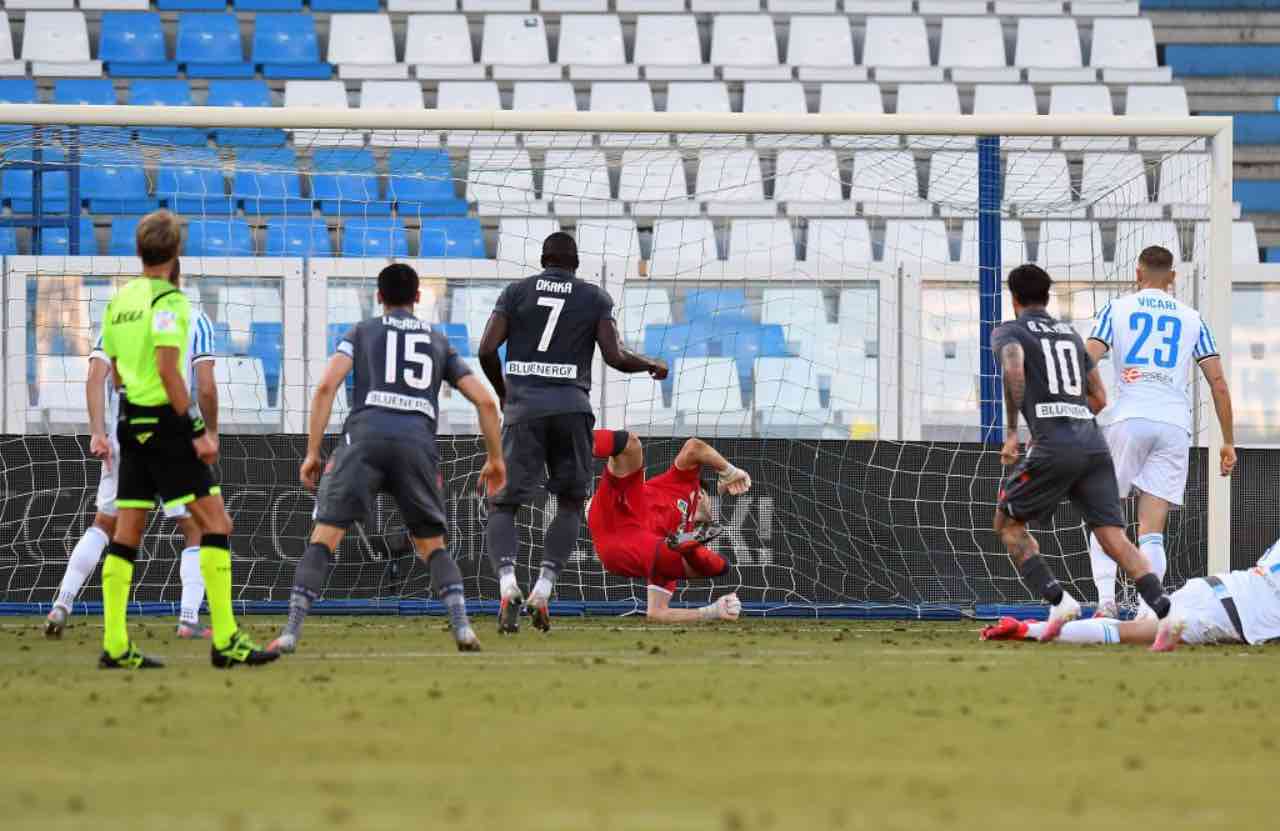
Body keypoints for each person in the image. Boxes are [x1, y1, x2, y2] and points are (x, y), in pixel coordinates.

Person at [268, 263, 504, 655]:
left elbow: (327, 385)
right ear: (417, 298)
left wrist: (312, 452)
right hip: (416, 442)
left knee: (324, 537)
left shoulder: (360, 332)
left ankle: (291, 632)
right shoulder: (437, 340)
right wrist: (495, 459)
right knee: (432, 544)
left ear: (378, 297)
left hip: (363, 438)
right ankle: (462, 628)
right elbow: (484, 400)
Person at [96, 209, 276, 669]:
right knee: (217, 524)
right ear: (176, 252)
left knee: (126, 533)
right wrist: (196, 429)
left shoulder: (120, 301)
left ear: (138, 251)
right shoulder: (172, 302)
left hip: (130, 423)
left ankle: (115, 643)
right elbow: (168, 370)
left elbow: (114, 369)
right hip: (166, 425)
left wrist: (133, 402)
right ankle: (227, 639)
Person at [477, 232, 667, 634]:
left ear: (543, 259)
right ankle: (543, 590)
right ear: (575, 263)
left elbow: (485, 350)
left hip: (524, 411)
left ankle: (509, 584)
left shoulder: (516, 293)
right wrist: (649, 363)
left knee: (504, 505)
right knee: (567, 503)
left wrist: (505, 392)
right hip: (571, 410)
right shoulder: (594, 297)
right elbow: (614, 356)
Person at [990, 264, 1177, 647]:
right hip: (1093, 444)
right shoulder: (1071, 336)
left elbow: (1013, 369)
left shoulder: (1009, 331)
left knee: (1007, 523)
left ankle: (1059, 601)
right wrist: (1072, 419)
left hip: (1053, 445)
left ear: (1014, 298)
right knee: (1114, 538)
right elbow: (1100, 397)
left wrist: (1012, 433)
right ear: (1046, 297)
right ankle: (1167, 613)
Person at [45, 275, 219, 640]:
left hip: (126, 432)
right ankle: (188, 618)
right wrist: (206, 431)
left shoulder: (119, 315)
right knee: (197, 528)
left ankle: (63, 601)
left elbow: (96, 377)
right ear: (178, 279)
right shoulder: (193, 317)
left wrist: (98, 432)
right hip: (174, 435)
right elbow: (204, 386)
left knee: (106, 523)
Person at [1084, 245, 1236, 617]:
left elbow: (1085, 359)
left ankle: (1106, 602)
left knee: (1104, 513)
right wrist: (1228, 441)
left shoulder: (1116, 310)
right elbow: (1217, 382)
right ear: (1172, 278)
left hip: (1128, 418)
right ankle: (1148, 612)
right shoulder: (1192, 318)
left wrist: (1092, 400)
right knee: (1152, 528)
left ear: (1138, 273)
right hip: (1173, 424)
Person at [981, 537, 1280, 652]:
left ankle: (1037, 628)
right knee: (1132, 632)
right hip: (1228, 613)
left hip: (1216, 586)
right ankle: (1030, 630)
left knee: (1136, 628)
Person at [588, 430, 748, 622]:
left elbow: (657, 613)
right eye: (707, 498)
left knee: (718, 565)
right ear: (701, 495)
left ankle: (693, 551)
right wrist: (729, 472)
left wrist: (712, 611)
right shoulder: (681, 483)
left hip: (634, 547)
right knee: (630, 444)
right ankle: (566, 442)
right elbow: (694, 447)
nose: (708, 503)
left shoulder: (675, 544)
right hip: (623, 508)